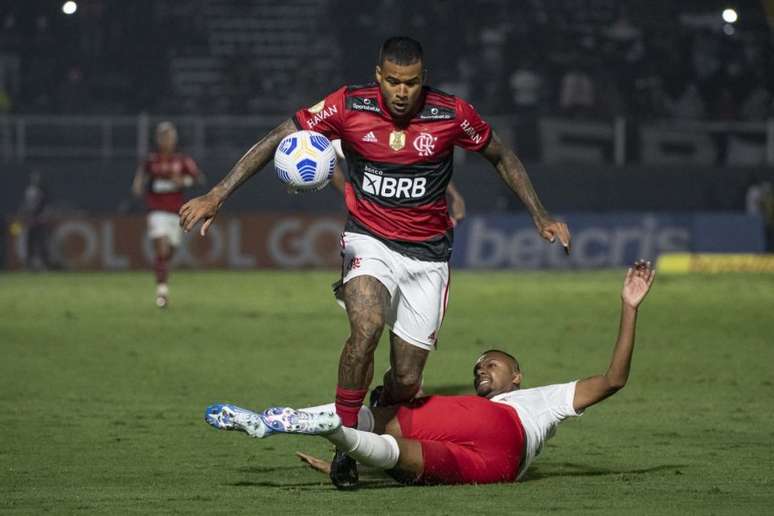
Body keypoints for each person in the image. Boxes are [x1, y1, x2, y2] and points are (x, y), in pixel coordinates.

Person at [180, 36, 570, 488]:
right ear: (378, 75)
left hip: (428, 257)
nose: (402, 92)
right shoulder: (347, 106)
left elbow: (501, 155)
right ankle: (345, 447)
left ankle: (376, 422)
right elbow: (277, 138)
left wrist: (540, 215)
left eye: (412, 83)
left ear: (423, 79)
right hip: (369, 239)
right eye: (393, 82)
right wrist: (216, 194)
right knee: (364, 329)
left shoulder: (451, 114)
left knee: (405, 381)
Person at [205, 261, 655, 486]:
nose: (482, 368)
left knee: (389, 413)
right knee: (401, 461)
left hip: (503, 432)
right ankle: (335, 437)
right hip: (493, 470)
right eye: (478, 366)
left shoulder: (539, 401)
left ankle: (281, 424)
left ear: (517, 376)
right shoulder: (484, 406)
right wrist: (340, 462)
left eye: (492, 363)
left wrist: (628, 307)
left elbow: (613, 379)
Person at [132, 121, 204, 308]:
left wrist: (183, 181)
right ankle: (162, 293)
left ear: (174, 139)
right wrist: (140, 186)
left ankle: (163, 281)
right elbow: (138, 185)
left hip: (176, 213)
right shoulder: (150, 161)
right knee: (162, 250)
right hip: (157, 212)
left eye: (169, 136)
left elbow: (199, 180)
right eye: (163, 136)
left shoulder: (182, 161)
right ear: (157, 139)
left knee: (169, 252)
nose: (166, 140)